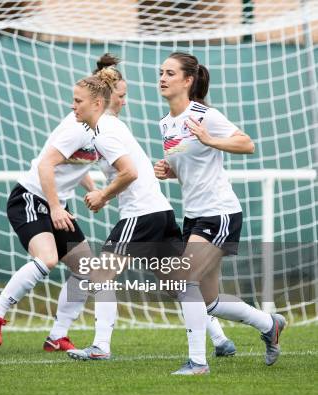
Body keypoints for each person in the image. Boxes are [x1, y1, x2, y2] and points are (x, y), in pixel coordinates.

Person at [45, 54, 236, 359]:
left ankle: (100, 346)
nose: (123, 101)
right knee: (178, 282)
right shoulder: (102, 126)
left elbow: (128, 172)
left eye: (76, 100)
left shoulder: (104, 129)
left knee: (101, 275)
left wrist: (101, 195)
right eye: (121, 96)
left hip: (141, 213)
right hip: (157, 211)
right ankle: (226, 336)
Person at [154, 52, 285, 374]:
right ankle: (269, 324)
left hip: (219, 213)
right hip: (195, 215)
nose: (162, 78)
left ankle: (197, 362)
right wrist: (169, 170)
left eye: (170, 73)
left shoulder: (205, 115)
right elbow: (189, 161)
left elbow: (247, 144)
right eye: (161, 72)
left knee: (184, 282)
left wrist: (210, 138)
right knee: (208, 298)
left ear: (188, 80)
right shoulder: (165, 123)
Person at [0, 69, 121, 347]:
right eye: (74, 100)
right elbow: (46, 164)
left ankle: (57, 335)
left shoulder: (102, 128)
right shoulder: (76, 128)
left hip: (55, 203)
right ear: (103, 101)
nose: (72, 105)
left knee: (85, 269)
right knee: (46, 259)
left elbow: (74, 165)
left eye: (77, 100)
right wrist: (56, 208)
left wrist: (92, 189)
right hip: (30, 200)